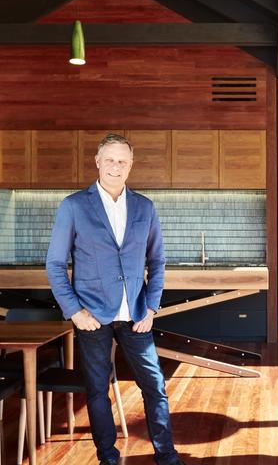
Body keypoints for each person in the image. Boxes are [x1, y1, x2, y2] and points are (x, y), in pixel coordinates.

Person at [46, 134, 186, 465]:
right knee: (97, 390)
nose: (116, 166)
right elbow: (54, 264)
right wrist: (75, 311)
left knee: (155, 386)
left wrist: (151, 307)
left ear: (131, 166)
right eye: (109, 159)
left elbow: (158, 261)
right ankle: (107, 458)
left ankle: (167, 457)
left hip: (137, 314)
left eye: (122, 161)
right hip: (92, 314)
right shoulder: (74, 206)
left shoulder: (145, 207)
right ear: (97, 162)